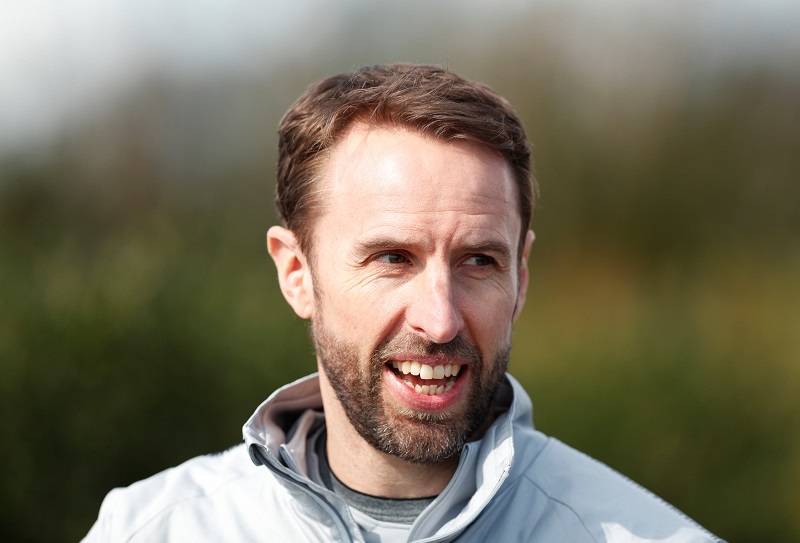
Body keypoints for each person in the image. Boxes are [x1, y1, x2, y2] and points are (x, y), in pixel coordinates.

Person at [84, 63, 723, 542]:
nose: (440, 320)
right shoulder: (148, 530)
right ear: (297, 272)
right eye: (393, 259)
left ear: (521, 277)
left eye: (479, 261)